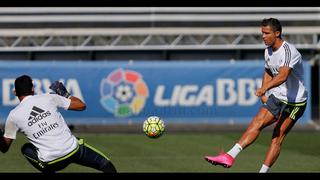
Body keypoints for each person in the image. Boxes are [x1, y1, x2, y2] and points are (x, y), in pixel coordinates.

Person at [204, 18, 308, 173]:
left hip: (295, 102)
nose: (263, 36)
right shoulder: (268, 51)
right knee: (256, 122)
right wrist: (264, 92)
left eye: (267, 33)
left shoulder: (288, 50)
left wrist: (264, 88)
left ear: (277, 33)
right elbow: (267, 70)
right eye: (262, 33)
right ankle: (229, 156)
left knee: (276, 137)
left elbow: (283, 75)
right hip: (277, 96)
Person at [0, 75, 117, 173]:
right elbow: (81, 106)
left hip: (52, 162)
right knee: (106, 165)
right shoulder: (48, 97)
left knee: (26, 149)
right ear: (32, 89)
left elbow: (4, 148)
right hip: (73, 150)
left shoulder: (13, 116)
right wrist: (65, 94)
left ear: (15, 92)